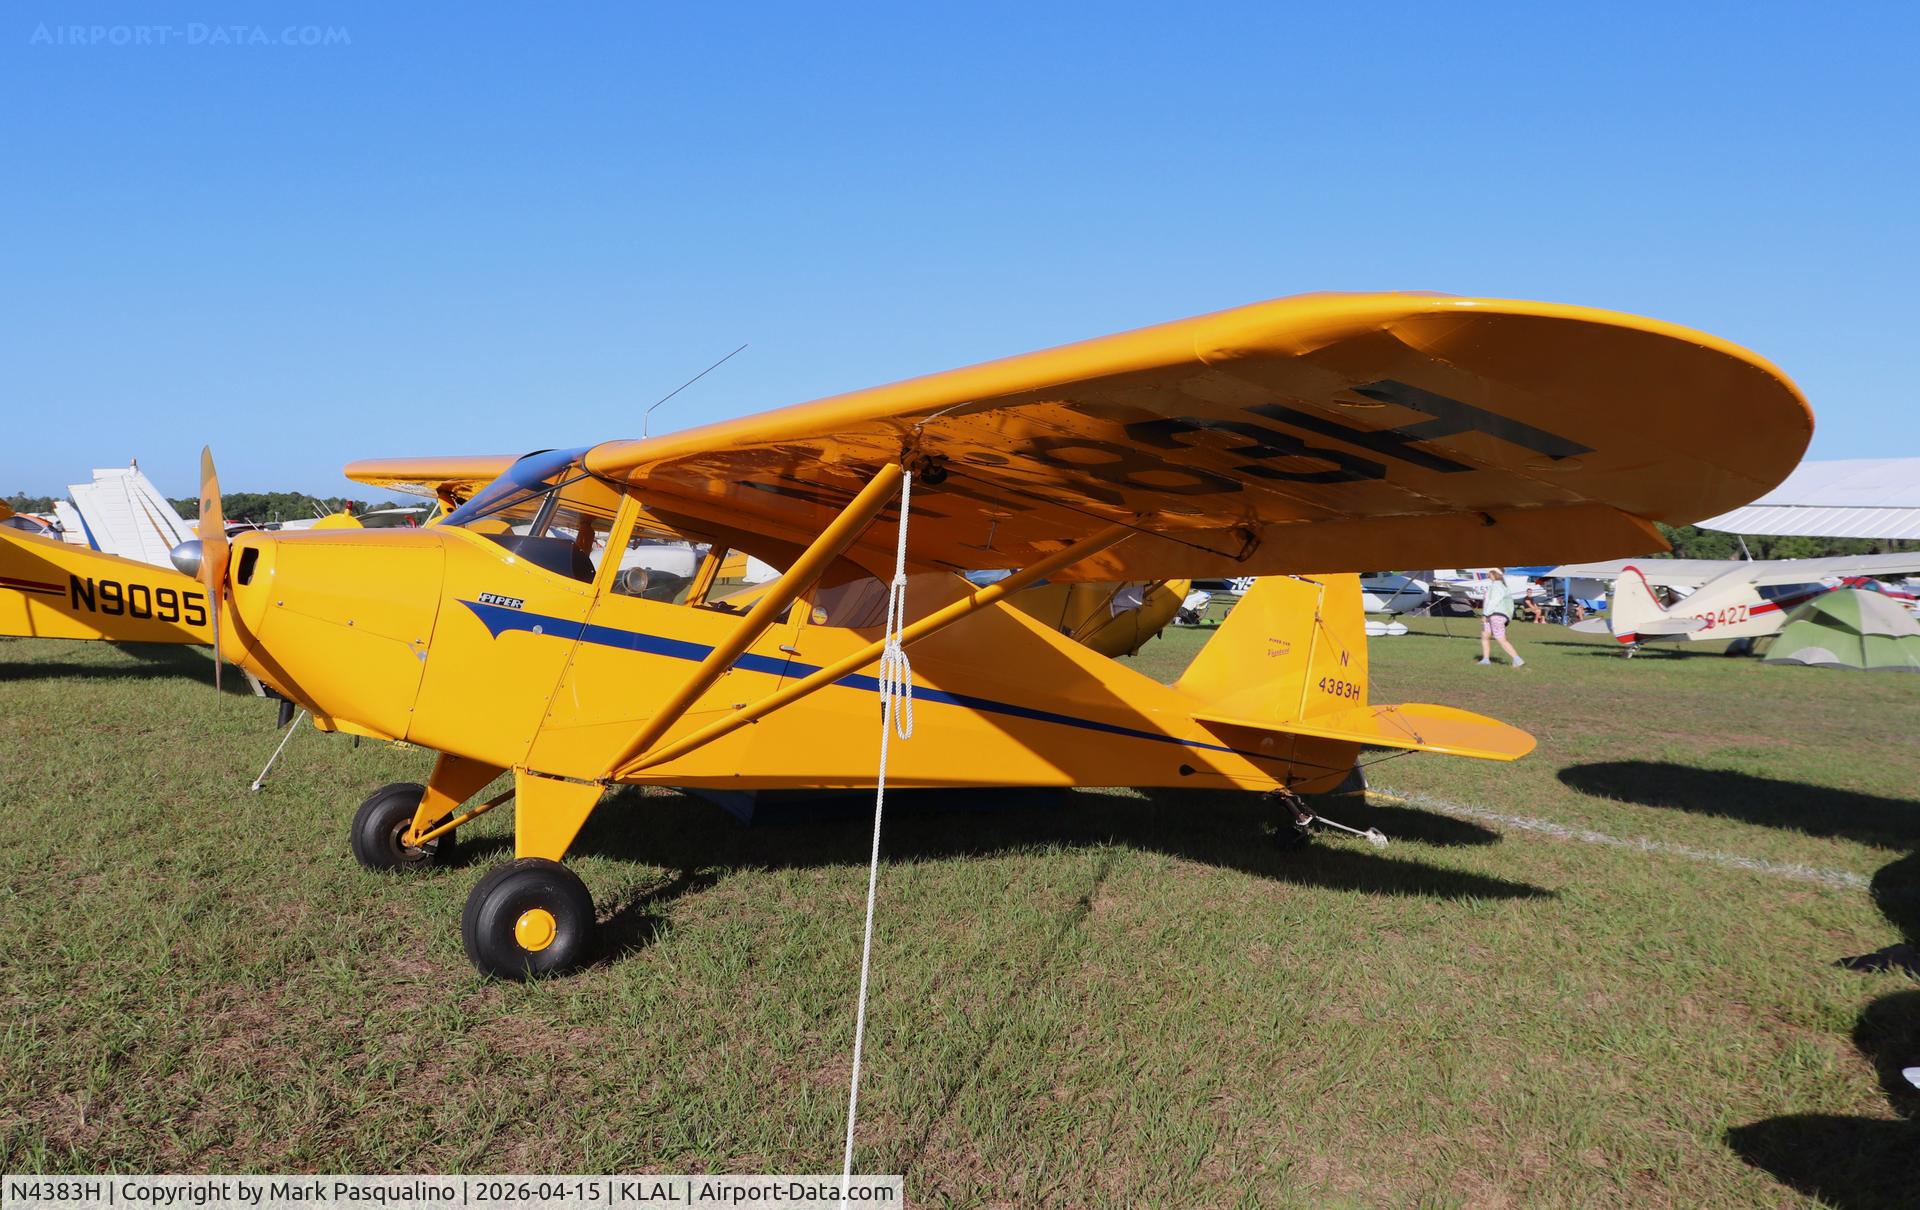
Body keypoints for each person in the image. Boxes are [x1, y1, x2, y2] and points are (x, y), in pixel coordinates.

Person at [1478, 577, 1526, 667]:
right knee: (1485, 635)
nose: (1488, 575)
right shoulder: (1501, 587)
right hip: (1493, 615)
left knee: (1500, 639)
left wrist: (1485, 614)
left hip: (1494, 615)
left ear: (1493, 575)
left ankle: (1517, 659)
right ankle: (1485, 659)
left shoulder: (1497, 587)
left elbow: (1493, 601)